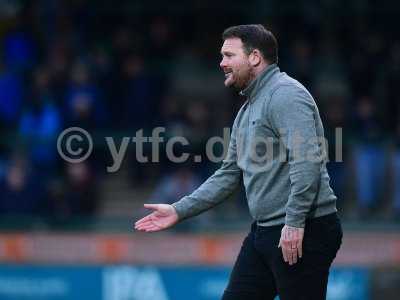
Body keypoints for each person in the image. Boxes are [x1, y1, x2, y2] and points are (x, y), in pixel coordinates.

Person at [135, 24, 342, 300]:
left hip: (304, 230)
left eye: (229, 55)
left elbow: (307, 163)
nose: (222, 63)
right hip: (265, 231)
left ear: (255, 57)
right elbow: (229, 174)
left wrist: (294, 222)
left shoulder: (286, 94)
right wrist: (178, 209)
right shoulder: (247, 110)